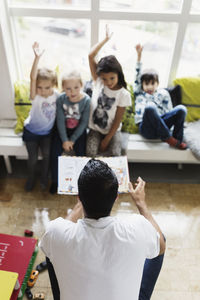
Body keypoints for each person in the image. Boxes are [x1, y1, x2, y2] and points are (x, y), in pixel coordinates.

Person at [39, 159, 166, 300]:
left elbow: (57, 234)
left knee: (51, 248)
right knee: (159, 238)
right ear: (116, 197)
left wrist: (82, 203)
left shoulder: (55, 232)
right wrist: (141, 203)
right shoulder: (137, 228)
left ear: (79, 197)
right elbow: (161, 246)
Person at [86, 26, 131, 157]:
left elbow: (117, 121)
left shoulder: (123, 94)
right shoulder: (99, 81)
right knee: (90, 153)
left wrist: (106, 140)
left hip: (112, 131)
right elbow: (90, 55)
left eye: (112, 78)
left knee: (116, 153)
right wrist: (105, 39)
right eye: (105, 79)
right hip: (95, 129)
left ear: (118, 74)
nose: (108, 82)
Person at [134, 44, 187, 150]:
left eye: (152, 83)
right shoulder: (139, 93)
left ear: (157, 84)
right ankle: (168, 138)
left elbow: (170, 112)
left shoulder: (163, 93)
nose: (149, 86)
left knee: (182, 109)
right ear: (142, 84)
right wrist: (139, 55)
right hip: (146, 128)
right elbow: (137, 74)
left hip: (162, 126)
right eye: (146, 83)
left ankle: (177, 140)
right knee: (149, 107)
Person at [23, 42, 59, 192]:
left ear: (54, 85)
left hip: (46, 134)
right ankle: (31, 178)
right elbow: (32, 78)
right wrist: (36, 58)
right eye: (40, 87)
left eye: (47, 87)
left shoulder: (57, 96)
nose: (43, 91)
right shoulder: (35, 96)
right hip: (31, 132)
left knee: (47, 155)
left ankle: (44, 178)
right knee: (32, 160)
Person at [49, 71, 91, 194]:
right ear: (63, 88)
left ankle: (81, 181)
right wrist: (64, 140)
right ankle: (55, 180)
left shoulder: (86, 100)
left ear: (81, 85)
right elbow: (60, 121)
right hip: (62, 131)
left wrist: (72, 140)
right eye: (68, 89)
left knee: (82, 154)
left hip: (78, 131)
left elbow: (84, 123)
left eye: (76, 88)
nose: (72, 92)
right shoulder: (61, 99)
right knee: (55, 153)